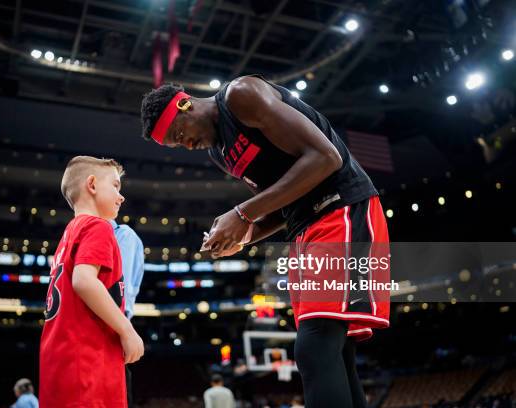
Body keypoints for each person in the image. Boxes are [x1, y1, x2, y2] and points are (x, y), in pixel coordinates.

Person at [140, 75, 390, 408]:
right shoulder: (220, 153)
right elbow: (281, 203)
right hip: (305, 227)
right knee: (336, 354)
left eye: (181, 135)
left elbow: (326, 157)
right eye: (177, 145)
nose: (187, 146)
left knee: (313, 348)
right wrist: (242, 237)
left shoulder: (241, 96)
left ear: (185, 104)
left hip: (340, 207)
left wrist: (242, 213)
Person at [39, 156, 144, 408]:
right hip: (87, 359)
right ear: (92, 185)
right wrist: (128, 331)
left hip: (61, 359)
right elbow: (84, 281)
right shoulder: (99, 227)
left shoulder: (69, 233)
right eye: (116, 186)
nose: (121, 196)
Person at [110, 219, 144, 408]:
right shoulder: (79, 230)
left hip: (112, 330)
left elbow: (121, 291)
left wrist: (125, 330)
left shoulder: (123, 234)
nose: (120, 197)